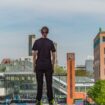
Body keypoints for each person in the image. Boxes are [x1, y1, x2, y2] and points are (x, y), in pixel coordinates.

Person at [32, 26, 56, 105]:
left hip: (39, 65)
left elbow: (34, 55)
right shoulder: (50, 42)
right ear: (47, 32)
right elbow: (54, 55)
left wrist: (34, 66)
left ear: (41, 32)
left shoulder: (37, 42)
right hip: (48, 66)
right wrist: (53, 66)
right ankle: (51, 100)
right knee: (49, 84)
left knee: (40, 84)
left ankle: (38, 100)